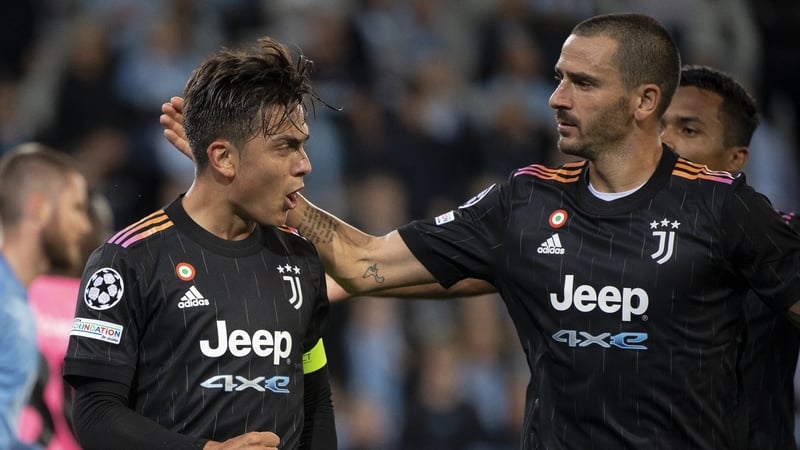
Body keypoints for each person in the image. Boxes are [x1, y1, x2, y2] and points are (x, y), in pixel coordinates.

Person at [160, 16, 800, 448]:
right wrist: (255, 177)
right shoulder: (524, 202)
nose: (556, 97)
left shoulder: (724, 209)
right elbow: (363, 262)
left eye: (582, 83)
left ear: (644, 101)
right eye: (558, 77)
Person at [63, 37, 337, 450]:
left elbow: (315, 401)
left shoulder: (299, 259)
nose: (305, 165)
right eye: (286, 147)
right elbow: (95, 413)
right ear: (223, 158)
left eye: (303, 145)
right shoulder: (127, 259)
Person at [660, 64, 800, 450]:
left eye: (688, 130)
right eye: (658, 126)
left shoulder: (785, 239)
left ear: (736, 158)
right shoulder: (603, 229)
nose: (664, 141)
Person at [0, 143, 92, 450]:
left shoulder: (15, 299)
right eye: (76, 208)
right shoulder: (5, 305)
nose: (85, 226)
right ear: (39, 208)